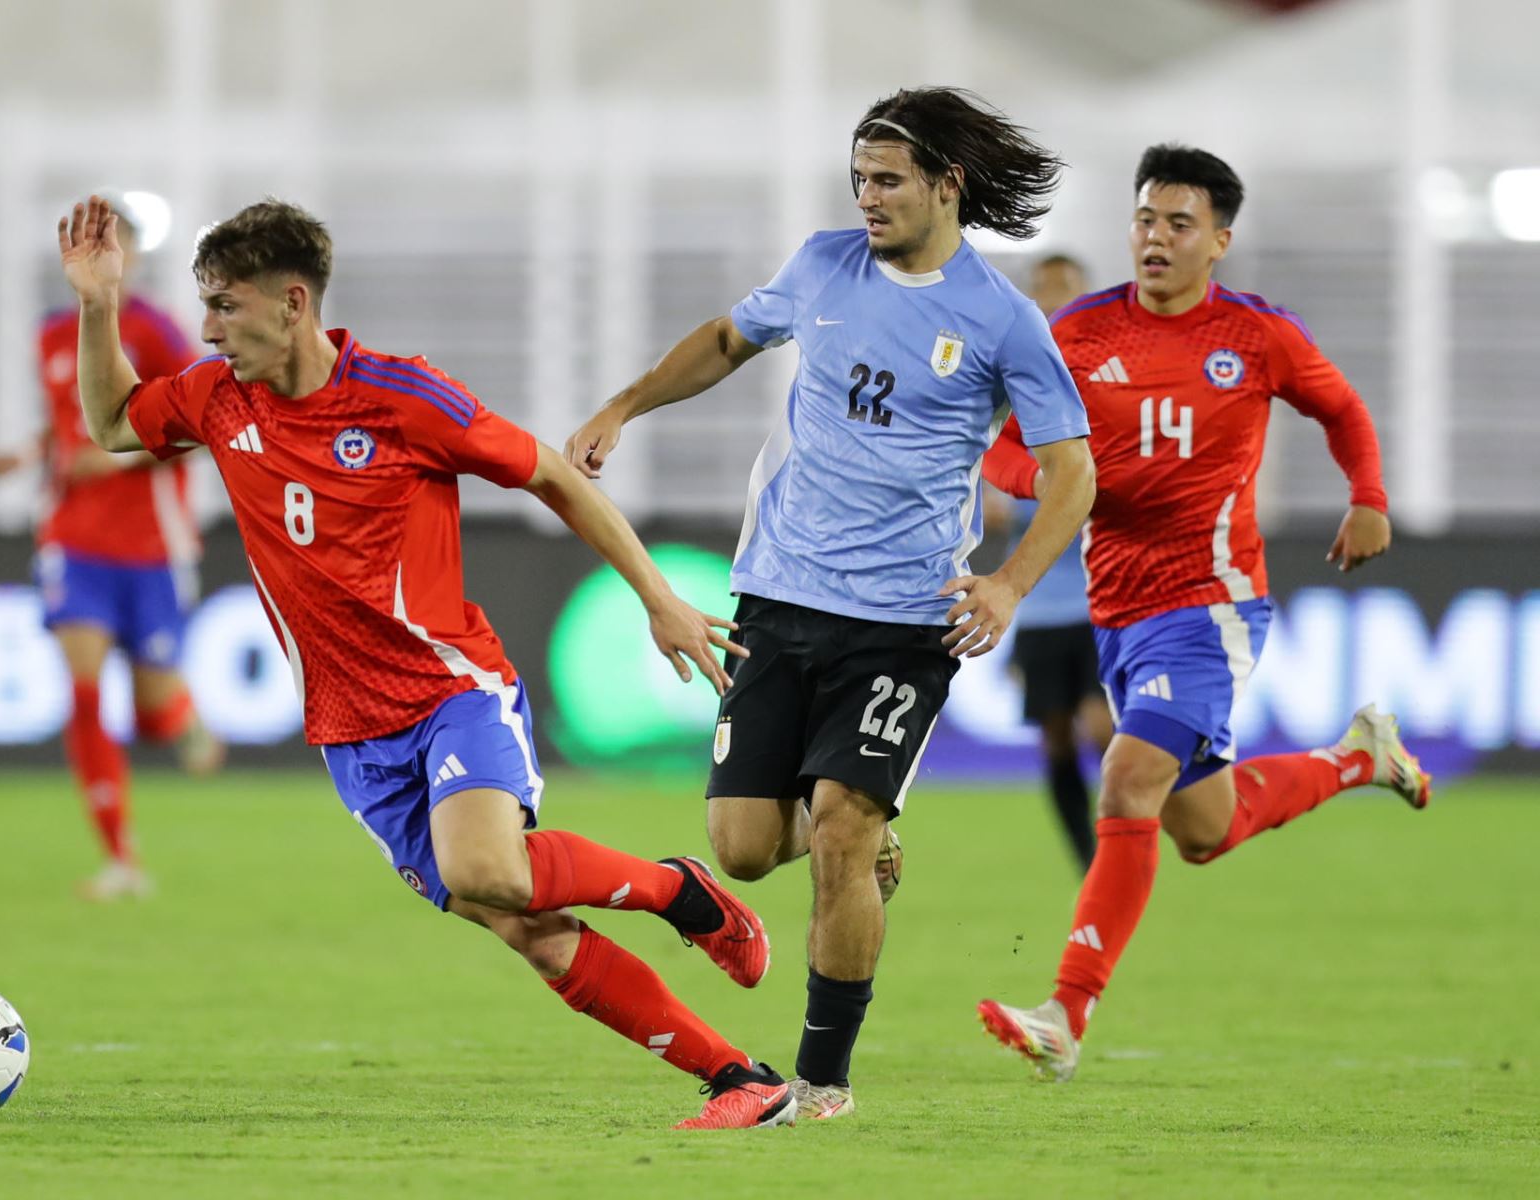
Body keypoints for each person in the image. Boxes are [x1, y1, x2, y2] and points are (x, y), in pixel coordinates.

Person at [57, 194, 796, 1130]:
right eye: (204, 305)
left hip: (451, 691)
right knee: (524, 926)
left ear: (293, 303)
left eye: (226, 305)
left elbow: (555, 476)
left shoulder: (402, 396)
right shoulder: (218, 399)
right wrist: (98, 305)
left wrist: (659, 598)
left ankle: (676, 890)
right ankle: (742, 1081)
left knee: (487, 865)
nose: (208, 328)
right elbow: (115, 423)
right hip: (348, 734)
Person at [565, 87, 1097, 1120]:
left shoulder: (1001, 318)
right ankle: (865, 832)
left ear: (947, 185)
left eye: (888, 179)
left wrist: (1007, 583)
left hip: (905, 619)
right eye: (860, 178)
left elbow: (1071, 470)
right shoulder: (820, 265)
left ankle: (822, 1084)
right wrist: (622, 405)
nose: (868, 197)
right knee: (744, 849)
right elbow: (728, 338)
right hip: (777, 592)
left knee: (842, 830)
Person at [977, 144, 1432, 1082]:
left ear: (1219, 241)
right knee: (1201, 831)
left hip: (1213, 602)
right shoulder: (1081, 332)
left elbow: (1341, 409)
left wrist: (1369, 494)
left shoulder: (1258, 336)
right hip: (1118, 610)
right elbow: (1005, 450)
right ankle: (1358, 758)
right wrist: (1059, 478)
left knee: (1128, 777)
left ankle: (1066, 1011)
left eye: (1179, 224)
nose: (1155, 237)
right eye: (1145, 219)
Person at [0, 194, 223, 901]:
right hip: (73, 537)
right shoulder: (50, 335)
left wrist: (116, 461)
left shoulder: (155, 333)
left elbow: (199, 422)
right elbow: (67, 423)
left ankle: (179, 712)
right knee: (84, 690)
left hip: (151, 544)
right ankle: (121, 857)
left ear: (136, 256)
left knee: (149, 715)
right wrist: (28, 455)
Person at [1005, 253, 1112, 873]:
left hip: (1098, 600)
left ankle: (1127, 837)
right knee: (1054, 738)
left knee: (1101, 727)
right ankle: (1087, 859)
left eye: (1065, 294)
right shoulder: (1013, 387)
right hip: (1039, 601)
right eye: (1044, 295)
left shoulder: (1105, 384)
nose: (1054, 306)